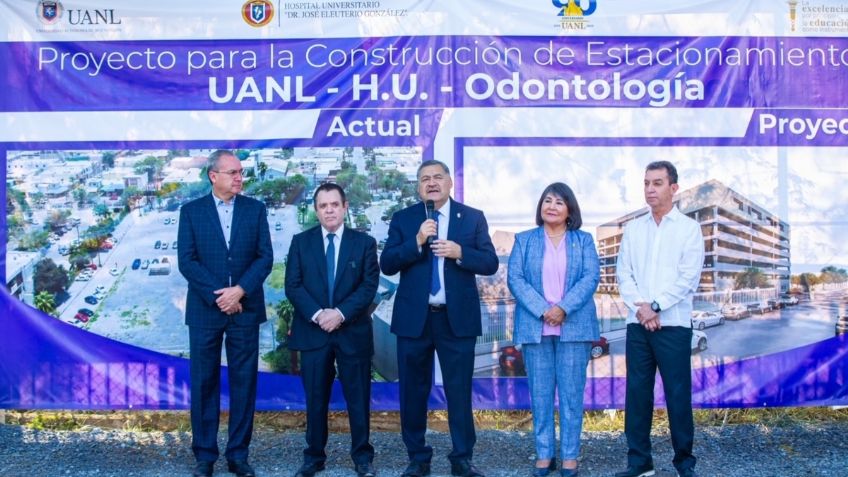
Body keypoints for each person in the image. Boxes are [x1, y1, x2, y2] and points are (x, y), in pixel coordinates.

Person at [380, 160, 499, 477]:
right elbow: (388, 263)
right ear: (418, 187)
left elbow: (489, 262)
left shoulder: (472, 218)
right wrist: (416, 241)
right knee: (412, 391)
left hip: (455, 320)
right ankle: (418, 457)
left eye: (437, 177)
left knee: (459, 391)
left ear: (450, 183)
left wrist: (461, 252)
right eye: (424, 179)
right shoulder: (405, 219)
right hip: (414, 321)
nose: (431, 183)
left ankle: (462, 458)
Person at [177, 149, 273, 477]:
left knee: (244, 383)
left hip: (245, 310)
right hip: (206, 312)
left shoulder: (255, 210)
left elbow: (265, 257)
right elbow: (187, 261)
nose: (239, 178)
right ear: (213, 176)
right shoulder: (191, 212)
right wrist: (220, 296)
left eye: (241, 172)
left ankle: (238, 455)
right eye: (232, 172)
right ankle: (205, 456)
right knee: (204, 383)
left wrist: (239, 291)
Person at [613, 161, 704, 477]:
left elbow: (688, 278)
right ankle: (639, 463)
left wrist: (655, 306)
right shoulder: (634, 229)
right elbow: (623, 273)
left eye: (657, 183)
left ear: (673, 188)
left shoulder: (689, 229)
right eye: (646, 183)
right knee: (637, 395)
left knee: (678, 394)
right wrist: (642, 308)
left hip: (673, 325)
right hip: (638, 325)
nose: (650, 189)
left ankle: (684, 463)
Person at [285, 183, 380, 477]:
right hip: (314, 333)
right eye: (323, 206)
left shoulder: (363, 243)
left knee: (358, 397)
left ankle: (362, 457)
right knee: (315, 398)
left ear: (344, 206)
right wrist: (318, 315)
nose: (329, 210)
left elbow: (368, 286)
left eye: (334, 205)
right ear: (316, 210)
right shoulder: (301, 242)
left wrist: (339, 314)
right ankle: (314, 457)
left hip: (352, 333)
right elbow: (293, 285)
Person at [507, 183, 600, 477]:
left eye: (559, 202)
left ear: (569, 209)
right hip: (537, 328)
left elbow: (590, 277)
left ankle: (570, 455)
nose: (552, 206)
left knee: (572, 395)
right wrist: (543, 309)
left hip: (573, 327)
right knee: (541, 394)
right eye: (547, 200)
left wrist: (563, 308)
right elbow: (515, 278)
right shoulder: (524, 240)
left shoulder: (583, 241)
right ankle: (544, 453)